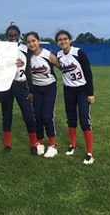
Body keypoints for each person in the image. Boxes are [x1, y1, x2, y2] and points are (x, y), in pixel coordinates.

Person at [55, 30, 95, 165]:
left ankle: (89, 153)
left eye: (65, 38)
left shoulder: (79, 52)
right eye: (60, 39)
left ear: (70, 40)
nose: (63, 41)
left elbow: (88, 73)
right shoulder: (58, 55)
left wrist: (90, 93)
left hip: (82, 90)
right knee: (71, 119)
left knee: (84, 120)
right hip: (68, 90)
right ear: (57, 42)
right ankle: (72, 146)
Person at [0, 25, 38, 155]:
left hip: (21, 85)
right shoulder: (1, 49)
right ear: (7, 36)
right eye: (10, 35)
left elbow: (31, 68)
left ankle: (33, 144)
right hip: (6, 85)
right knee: (6, 114)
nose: (13, 38)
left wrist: (31, 90)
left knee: (28, 115)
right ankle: (7, 144)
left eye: (15, 35)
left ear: (19, 35)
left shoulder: (26, 49)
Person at [26, 32, 60, 158]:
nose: (31, 44)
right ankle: (40, 142)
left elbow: (62, 67)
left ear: (39, 41)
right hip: (36, 89)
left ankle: (52, 145)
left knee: (47, 116)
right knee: (38, 117)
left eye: (33, 41)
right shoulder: (27, 57)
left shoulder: (48, 55)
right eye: (28, 42)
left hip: (49, 87)